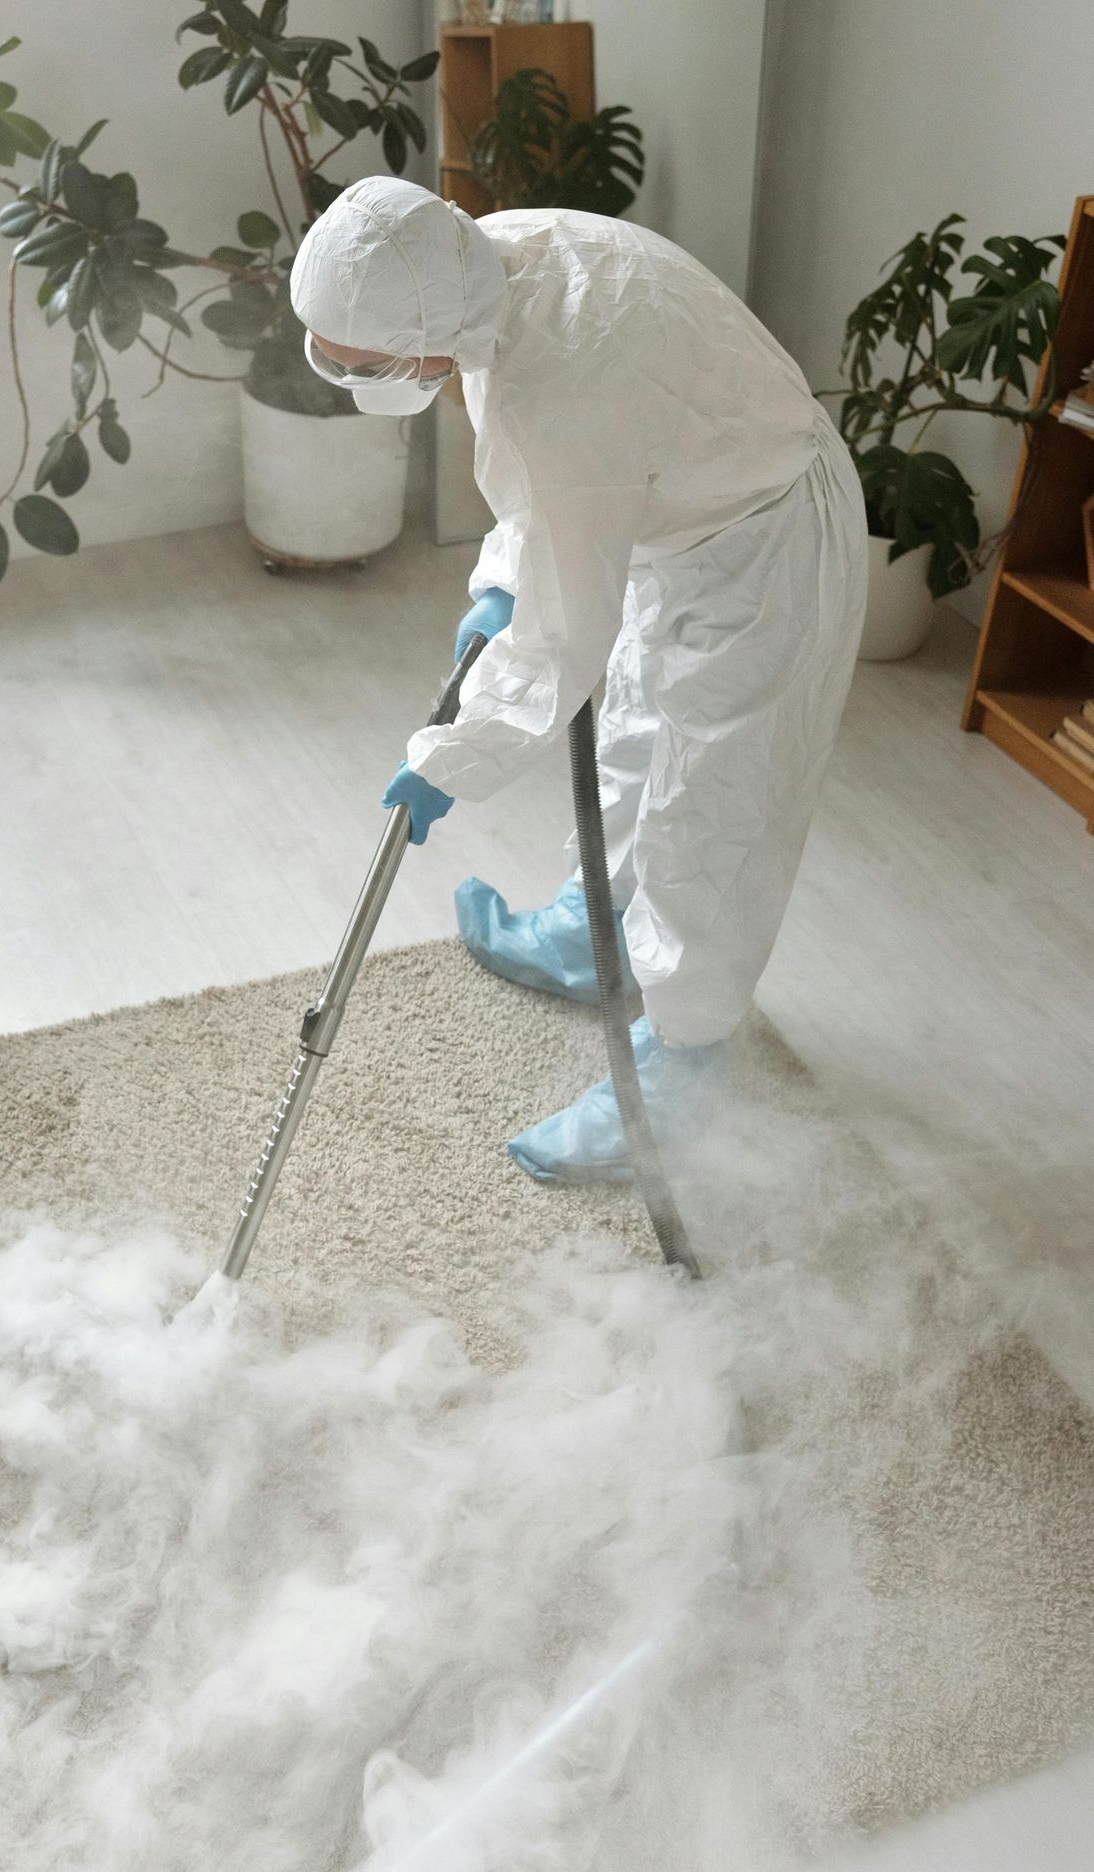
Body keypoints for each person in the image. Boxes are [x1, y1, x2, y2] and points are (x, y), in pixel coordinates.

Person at [290, 177, 867, 1184]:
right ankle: (593, 935)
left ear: (422, 332)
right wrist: (503, 584)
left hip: (764, 541)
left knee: (709, 813)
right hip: (674, 511)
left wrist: (453, 755)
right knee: (637, 738)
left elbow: (561, 636)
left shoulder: (565, 382)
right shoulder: (481, 265)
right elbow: (551, 488)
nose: (357, 378)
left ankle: (682, 1069)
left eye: (366, 365)